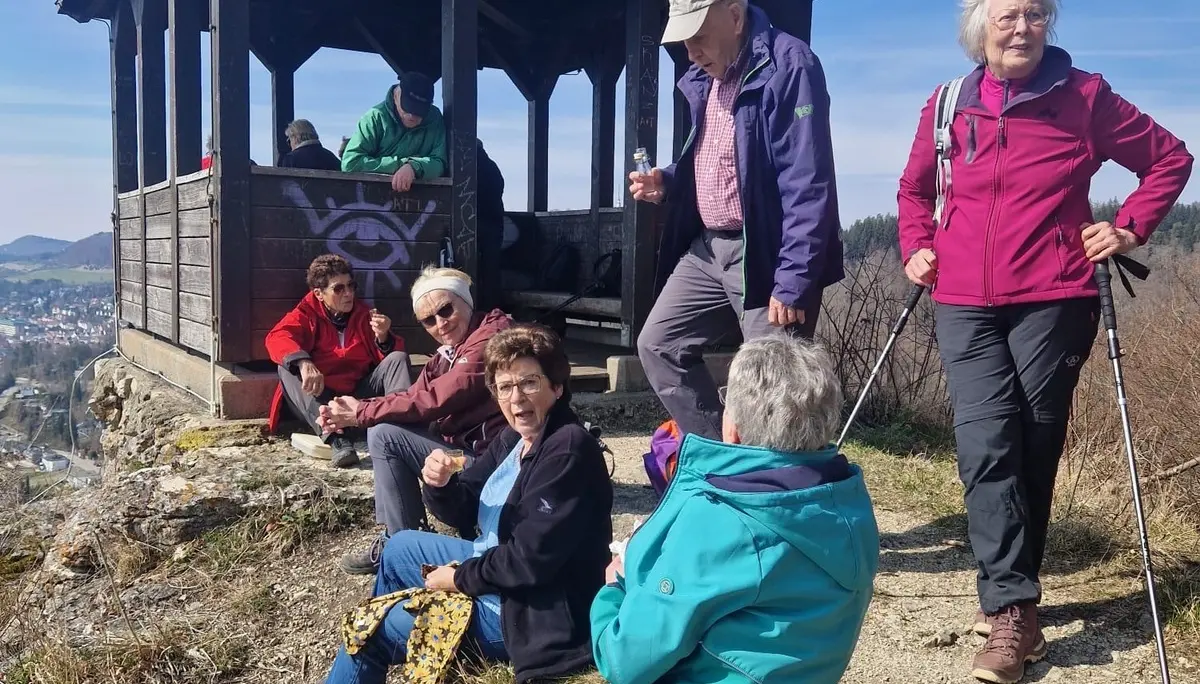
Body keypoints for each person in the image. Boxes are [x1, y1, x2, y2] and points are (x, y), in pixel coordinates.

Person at [896, 2, 1193, 682]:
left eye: (1034, 14)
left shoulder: (1084, 96)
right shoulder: (948, 105)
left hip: (1056, 297)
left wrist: (1127, 228)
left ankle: (1011, 598)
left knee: (1033, 440)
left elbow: (1169, 158)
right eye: (1007, 16)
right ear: (980, 27)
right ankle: (1011, 607)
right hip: (964, 299)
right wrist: (915, 245)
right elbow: (913, 191)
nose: (1022, 28)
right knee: (984, 440)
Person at [323, 324, 614, 684]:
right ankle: (405, 653)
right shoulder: (514, 438)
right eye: (505, 387)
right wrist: (440, 484)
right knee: (397, 548)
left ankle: (385, 647)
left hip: (535, 612)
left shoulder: (567, 450)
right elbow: (462, 509)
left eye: (529, 383)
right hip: (498, 570)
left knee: (371, 627)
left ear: (556, 387)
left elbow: (529, 562)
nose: (516, 398)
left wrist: (459, 579)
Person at [590, 334, 878, 684]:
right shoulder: (847, 500)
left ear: (734, 428)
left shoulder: (724, 521)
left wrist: (616, 587)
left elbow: (624, 662)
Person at [629, 0, 845, 442]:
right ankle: (722, 455)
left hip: (766, 253)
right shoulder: (702, 78)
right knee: (658, 345)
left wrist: (794, 280)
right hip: (708, 250)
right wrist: (669, 181)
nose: (691, 52)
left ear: (734, 14)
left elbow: (809, 181)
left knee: (775, 392)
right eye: (684, 41)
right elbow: (719, 160)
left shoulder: (791, 65)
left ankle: (774, 492)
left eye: (699, 36)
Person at [318, 267, 512, 574]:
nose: (440, 323)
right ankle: (405, 539)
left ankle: (402, 543)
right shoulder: (445, 354)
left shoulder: (491, 338)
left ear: (465, 301)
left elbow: (438, 396)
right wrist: (347, 412)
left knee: (383, 434)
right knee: (386, 429)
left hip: (491, 462)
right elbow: (414, 397)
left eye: (445, 310)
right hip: (463, 456)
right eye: (428, 320)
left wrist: (360, 413)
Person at [264, 255, 410, 468]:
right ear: (319, 293)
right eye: (338, 289)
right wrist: (304, 362)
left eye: (351, 286)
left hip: (357, 403)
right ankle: (336, 439)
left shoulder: (364, 314)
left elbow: (387, 360)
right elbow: (276, 338)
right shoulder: (304, 313)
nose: (348, 293)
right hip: (319, 401)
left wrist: (384, 337)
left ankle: (400, 431)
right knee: (287, 367)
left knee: (398, 358)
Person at [341, 71, 447, 192]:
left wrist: (414, 167)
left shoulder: (435, 118)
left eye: (419, 111)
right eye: (408, 107)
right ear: (396, 95)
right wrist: (401, 165)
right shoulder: (374, 117)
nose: (412, 115)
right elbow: (351, 163)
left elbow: (440, 162)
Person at [475, 138, 507, 312]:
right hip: (494, 223)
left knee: (475, 268)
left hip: (478, 223)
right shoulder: (493, 168)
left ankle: (480, 310)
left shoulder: (469, 167)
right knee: (491, 270)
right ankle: (492, 311)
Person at [276, 119, 342, 171]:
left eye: (289, 140)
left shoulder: (290, 159)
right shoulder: (331, 158)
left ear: (295, 138)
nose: (290, 144)